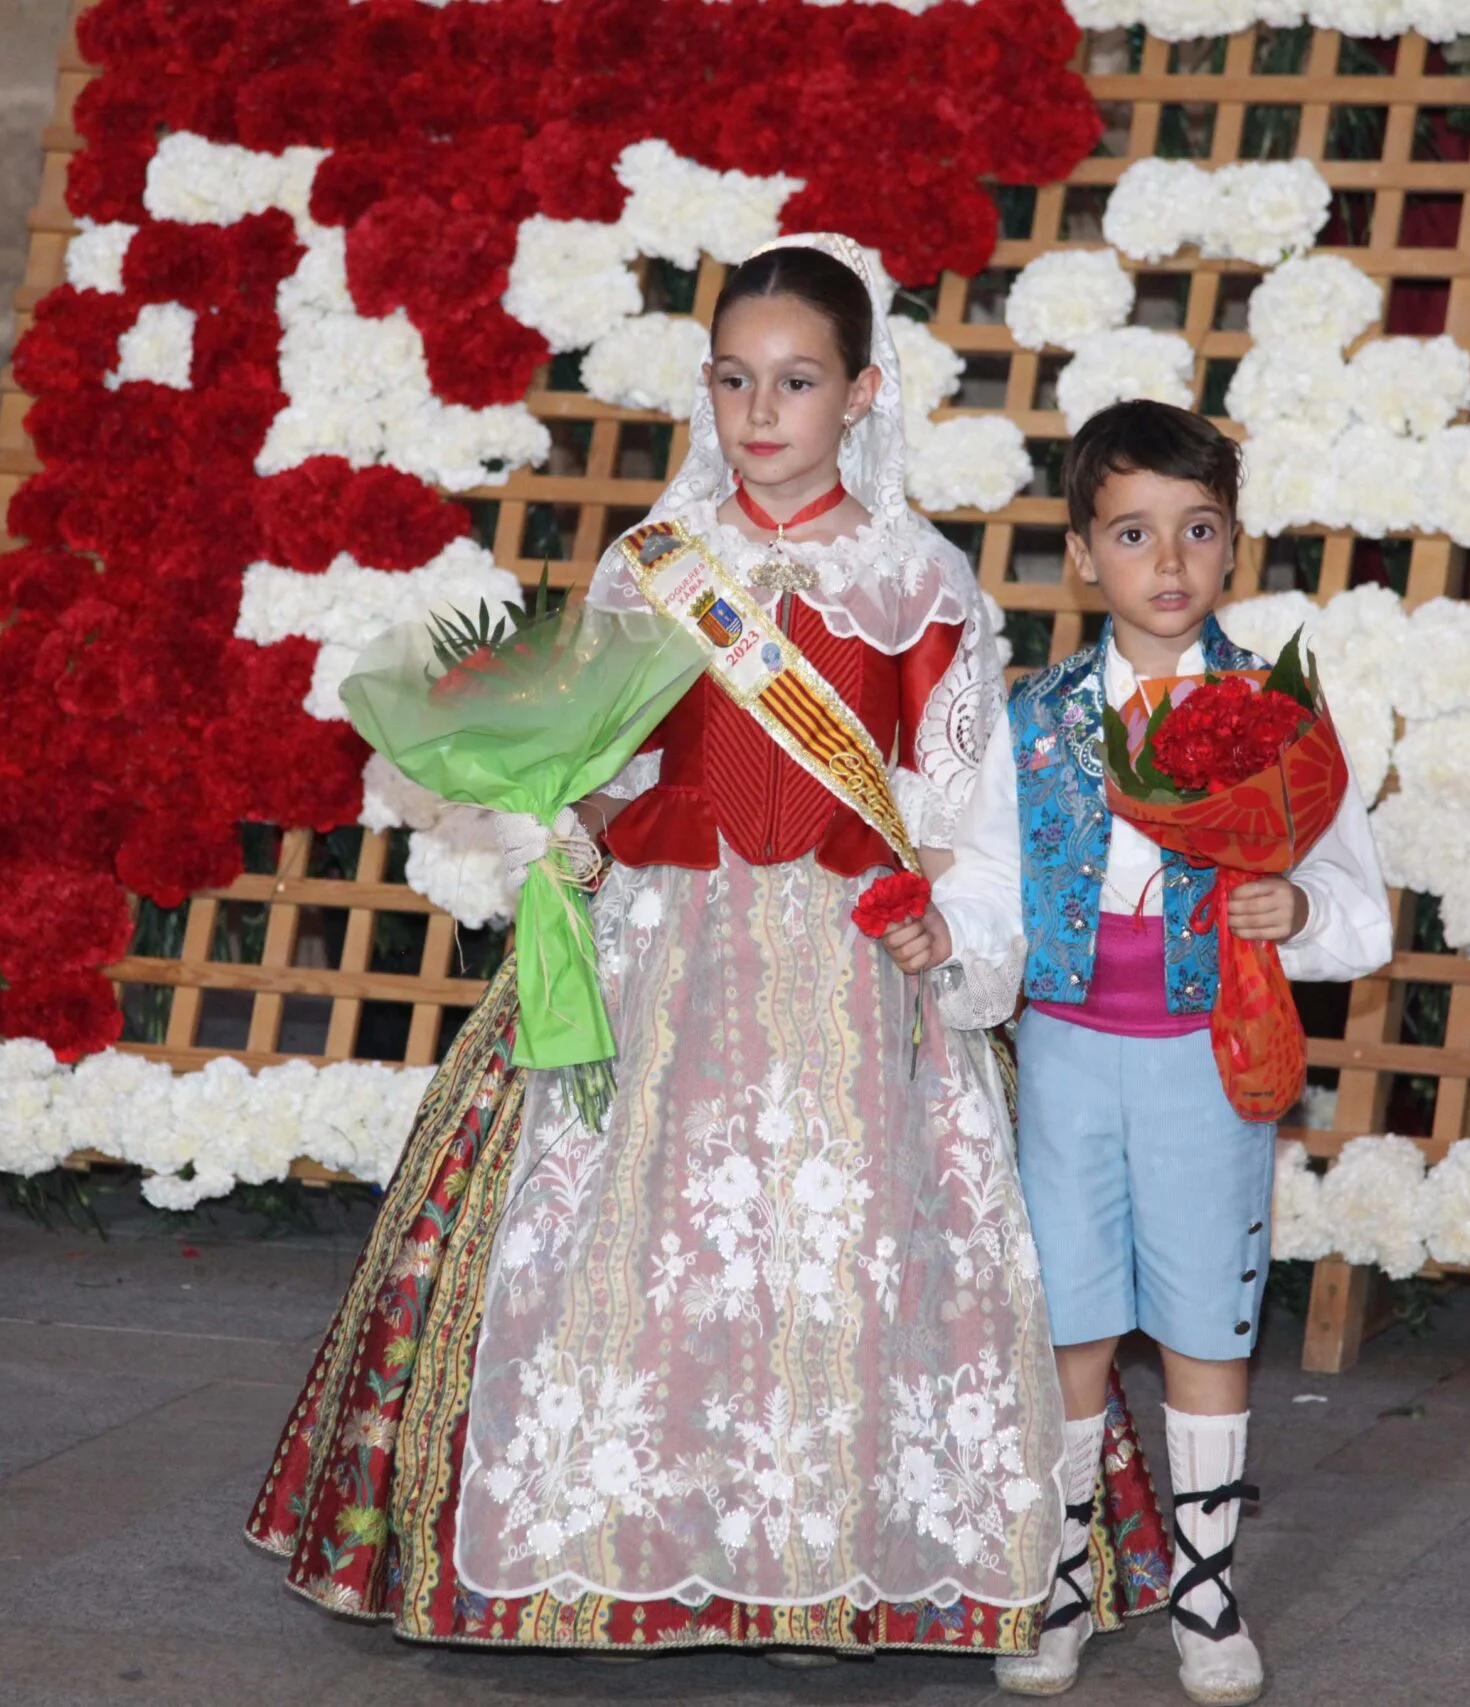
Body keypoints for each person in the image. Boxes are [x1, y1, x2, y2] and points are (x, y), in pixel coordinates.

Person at [247, 236, 1174, 1659]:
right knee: (634, 1243)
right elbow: (607, 753)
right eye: (735, 377)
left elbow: (974, 810)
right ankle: (628, 1541)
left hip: (851, 967)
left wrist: (955, 925)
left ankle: (842, 1552)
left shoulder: (920, 581)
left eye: (797, 380)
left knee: (847, 1249)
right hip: (664, 949)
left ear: (862, 393)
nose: (762, 409)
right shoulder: (656, 561)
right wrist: (570, 817)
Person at [883, 400, 1394, 1701]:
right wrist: (948, 937)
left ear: (1232, 546)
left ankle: (1207, 1589)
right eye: (1132, 531)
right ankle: (1063, 1571)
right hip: (1063, 1052)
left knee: (1204, 1312)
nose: (1168, 561)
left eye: (1197, 529)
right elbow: (994, 885)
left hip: (1205, 1058)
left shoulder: (1273, 716)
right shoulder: (1033, 715)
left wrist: (1301, 911)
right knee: (1068, 1314)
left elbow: (1359, 905)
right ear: (1082, 554)